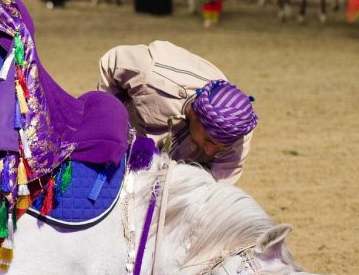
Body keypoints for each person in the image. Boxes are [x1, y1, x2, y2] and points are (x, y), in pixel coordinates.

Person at [98, 41, 257, 184]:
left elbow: (217, 187)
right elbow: (113, 63)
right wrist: (112, 126)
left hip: (175, 162)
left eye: (220, 147)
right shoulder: (152, 76)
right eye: (209, 140)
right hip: (132, 132)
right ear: (195, 114)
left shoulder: (236, 134)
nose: (209, 151)